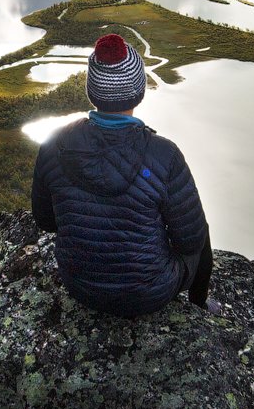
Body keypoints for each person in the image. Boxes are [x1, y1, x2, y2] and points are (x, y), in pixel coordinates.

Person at [31, 32, 213, 316]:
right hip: (148, 294)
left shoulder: (54, 143)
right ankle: (200, 305)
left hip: (79, 286)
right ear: (139, 92)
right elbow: (189, 241)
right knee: (200, 232)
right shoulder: (164, 155)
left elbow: (45, 220)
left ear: (92, 91)